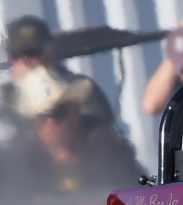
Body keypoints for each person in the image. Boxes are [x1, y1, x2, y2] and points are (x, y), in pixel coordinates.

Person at [13, 66, 141, 194]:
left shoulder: (110, 151)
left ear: (75, 109)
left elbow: (141, 197)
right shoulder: (24, 166)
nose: (50, 122)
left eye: (58, 112)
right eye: (41, 116)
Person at [1, 15, 116, 126]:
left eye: (33, 53)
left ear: (53, 52)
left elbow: (100, 131)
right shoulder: (6, 97)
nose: (26, 62)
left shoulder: (81, 89)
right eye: (17, 56)